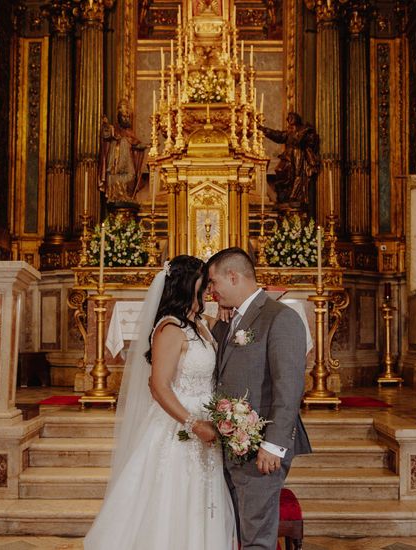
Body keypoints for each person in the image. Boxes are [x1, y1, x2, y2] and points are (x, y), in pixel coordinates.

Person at [84, 255, 236, 550]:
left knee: (205, 500)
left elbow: (222, 329)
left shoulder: (201, 323)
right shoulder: (170, 328)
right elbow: (158, 386)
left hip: (208, 423)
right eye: (203, 282)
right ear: (186, 285)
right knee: (175, 500)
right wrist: (193, 424)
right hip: (180, 427)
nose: (208, 289)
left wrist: (227, 311)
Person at [206, 247, 311, 549]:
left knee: (257, 539)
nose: (212, 291)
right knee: (239, 532)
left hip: (261, 447)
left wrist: (274, 445)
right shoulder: (233, 319)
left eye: (214, 283)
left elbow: (288, 386)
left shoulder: (281, 318)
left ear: (233, 276)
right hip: (234, 444)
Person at [258, 112, 321, 208]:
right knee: (280, 171)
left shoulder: (304, 130)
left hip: (297, 154)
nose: (289, 121)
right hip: (288, 156)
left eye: (291, 119)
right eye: (288, 120)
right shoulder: (289, 133)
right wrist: (264, 130)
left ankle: (294, 195)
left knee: (297, 174)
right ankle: (287, 194)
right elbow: (278, 135)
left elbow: (306, 141)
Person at [99, 101, 146, 204]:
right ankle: (115, 195)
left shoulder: (129, 132)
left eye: (128, 117)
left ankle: (124, 195)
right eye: (124, 116)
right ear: (119, 117)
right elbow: (106, 135)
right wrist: (106, 124)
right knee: (114, 175)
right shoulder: (113, 129)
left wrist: (146, 146)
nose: (126, 119)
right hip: (116, 159)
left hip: (127, 159)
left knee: (132, 175)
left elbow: (135, 143)